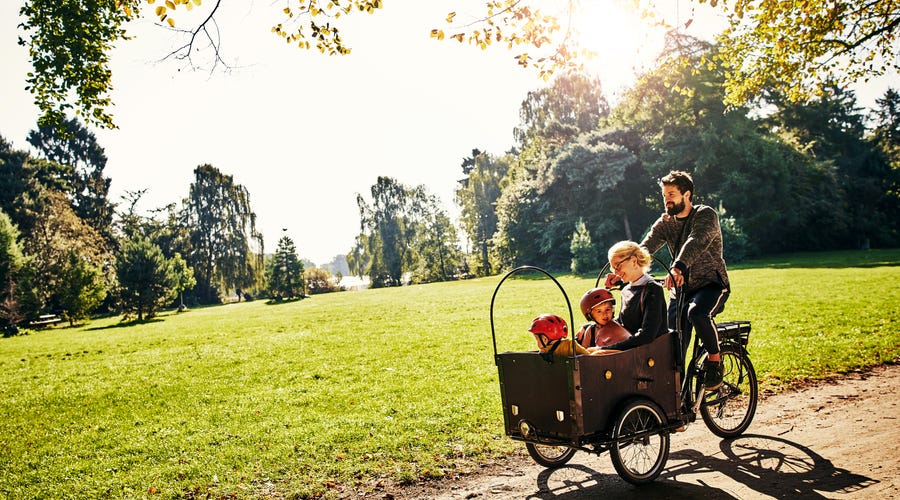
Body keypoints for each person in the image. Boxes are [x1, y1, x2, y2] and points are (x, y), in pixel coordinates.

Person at [641, 170, 730, 391]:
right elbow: (646, 247)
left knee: (696, 313)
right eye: (664, 195)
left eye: (671, 194)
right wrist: (622, 267)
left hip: (711, 284)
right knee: (672, 344)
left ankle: (715, 361)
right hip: (681, 290)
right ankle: (677, 400)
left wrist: (678, 266)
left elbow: (696, 241)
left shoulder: (705, 215)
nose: (667, 200)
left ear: (686, 194)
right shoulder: (665, 222)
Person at [599, 241, 668, 352]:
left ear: (634, 261)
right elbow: (622, 324)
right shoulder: (626, 290)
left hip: (650, 355)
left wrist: (607, 349)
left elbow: (647, 335)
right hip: (632, 351)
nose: (616, 272)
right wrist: (593, 327)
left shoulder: (652, 290)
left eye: (618, 266)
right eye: (613, 268)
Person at [528, 314, 615, 358]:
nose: (537, 344)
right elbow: (587, 357)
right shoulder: (570, 345)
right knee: (597, 352)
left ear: (545, 339)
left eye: (537, 339)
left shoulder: (543, 353)